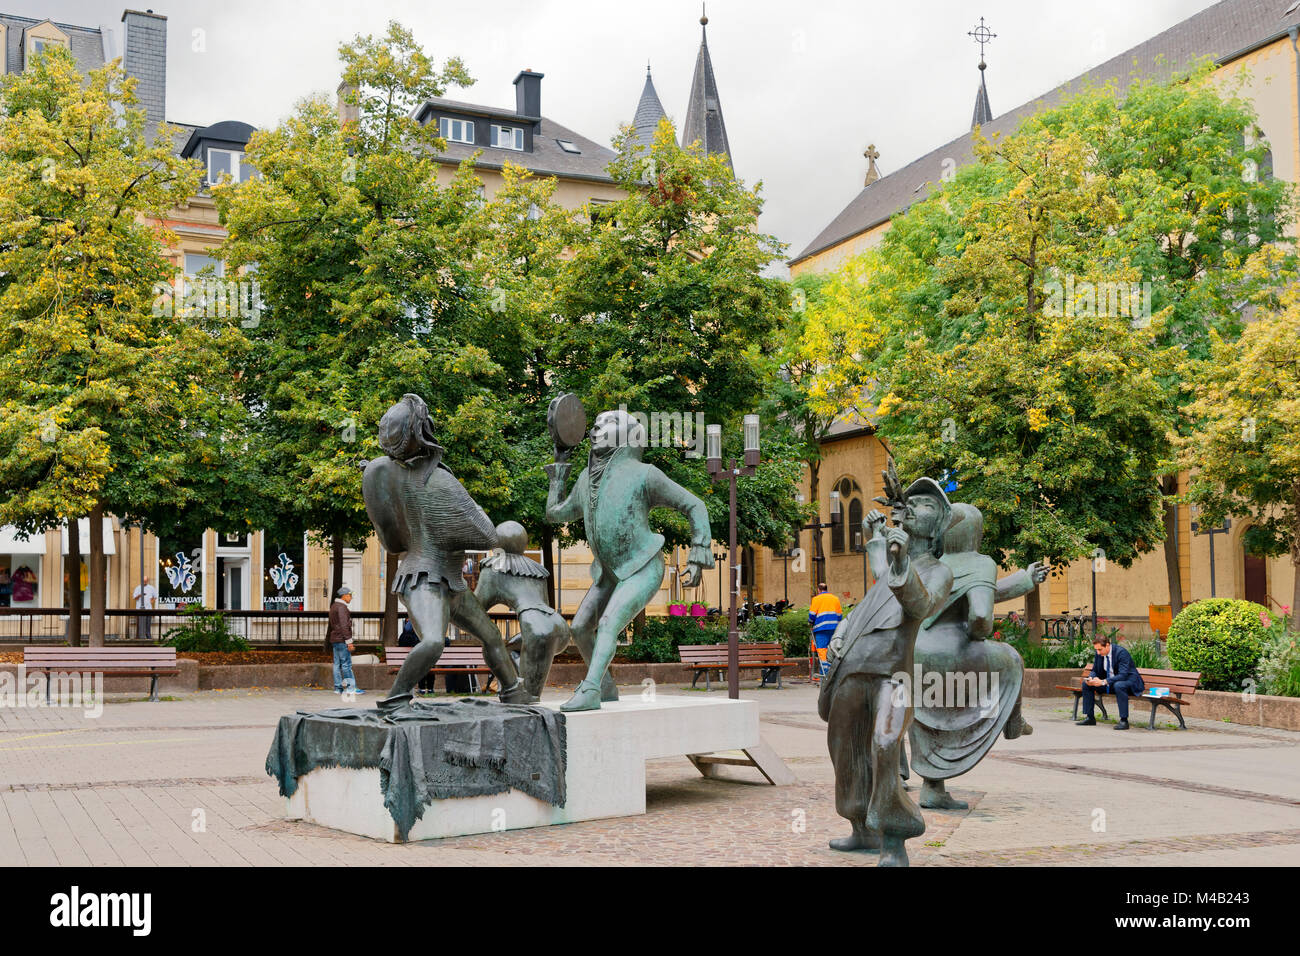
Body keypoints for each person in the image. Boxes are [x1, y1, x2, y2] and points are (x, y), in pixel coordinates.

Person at [818, 476, 953, 867]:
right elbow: (880, 574)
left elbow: (920, 606)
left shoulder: (938, 571)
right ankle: (860, 828)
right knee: (845, 750)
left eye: (925, 504)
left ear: (941, 523)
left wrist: (900, 563)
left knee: (884, 744)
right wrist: (875, 537)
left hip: (893, 676)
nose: (911, 507)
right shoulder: (892, 559)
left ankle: (894, 838)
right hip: (853, 667)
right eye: (910, 502)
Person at [363, 393, 528, 707]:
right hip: (422, 580)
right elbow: (486, 534)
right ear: (424, 431)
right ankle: (395, 699)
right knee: (434, 641)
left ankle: (513, 691)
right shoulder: (439, 482)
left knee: (492, 637)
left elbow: (391, 542)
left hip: (451, 582)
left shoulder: (382, 475)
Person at [545, 408, 713, 712]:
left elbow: (694, 505)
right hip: (609, 573)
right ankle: (606, 688)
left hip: (643, 567)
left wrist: (698, 551)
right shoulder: (586, 479)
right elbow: (555, 514)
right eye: (595, 425)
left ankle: (591, 688)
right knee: (581, 628)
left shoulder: (645, 474)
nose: (596, 429)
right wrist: (559, 469)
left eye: (607, 424)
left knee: (608, 624)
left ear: (627, 435)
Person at [1077, 634, 1143, 729]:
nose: (1098, 653)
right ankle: (1090, 717)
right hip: (1111, 683)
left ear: (1107, 645)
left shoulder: (1121, 653)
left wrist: (1104, 681)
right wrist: (1091, 678)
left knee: (1119, 685)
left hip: (1128, 683)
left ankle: (1124, 721)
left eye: (1100, 649)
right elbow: (1095, 670)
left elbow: (1123, 675)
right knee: (1086, 684)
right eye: (1096, 650)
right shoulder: (1099, 654)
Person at [327, 586, 364, 695]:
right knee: (346, 664)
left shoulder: (333, 606)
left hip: (335, 639)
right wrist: (349, 641)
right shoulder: (342, 607)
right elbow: (344, 625)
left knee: (336, 664)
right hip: (342, 639)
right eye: (350, 595)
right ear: (344, 596)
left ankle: (338, 688)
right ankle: (351, 688)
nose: (351, 598)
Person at [809, 584, 842, 677]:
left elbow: (812, 615)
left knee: (822, 650)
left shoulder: (816, 599)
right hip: (834, 629)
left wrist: (810, 622)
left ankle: (825, 673)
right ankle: (833, 673)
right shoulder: (835, 599)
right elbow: (839, 615)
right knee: (832, 649)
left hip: (821, 629)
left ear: (819, 590)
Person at [132, 576, 158, 640]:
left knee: (148, 624)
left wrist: (151, 601)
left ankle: (148, 636)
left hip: (148, 609)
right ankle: (139, 637)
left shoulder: (151, 588)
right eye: (144, 581)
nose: (145, 582)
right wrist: (139, 595)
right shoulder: (138, 588)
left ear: (147, 581)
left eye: (146, 581)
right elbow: (135, 598)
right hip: (139, 609)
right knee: (140, 624)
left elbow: (155, 596)